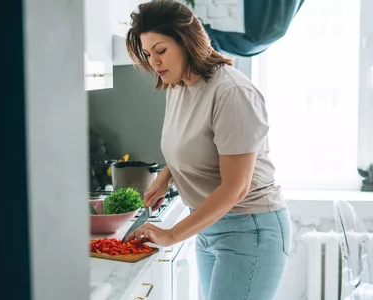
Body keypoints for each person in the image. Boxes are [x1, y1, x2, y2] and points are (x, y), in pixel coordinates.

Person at [124, 1, 292, 299]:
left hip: (250, 229)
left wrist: (172, 235)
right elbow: (195, 144)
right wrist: (166, 176)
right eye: (148, 54)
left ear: (187, 42)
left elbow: (236, 188)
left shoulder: (231, 93)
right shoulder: (177, 86)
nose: (154, 63)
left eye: (161, 51)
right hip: (208, 225)